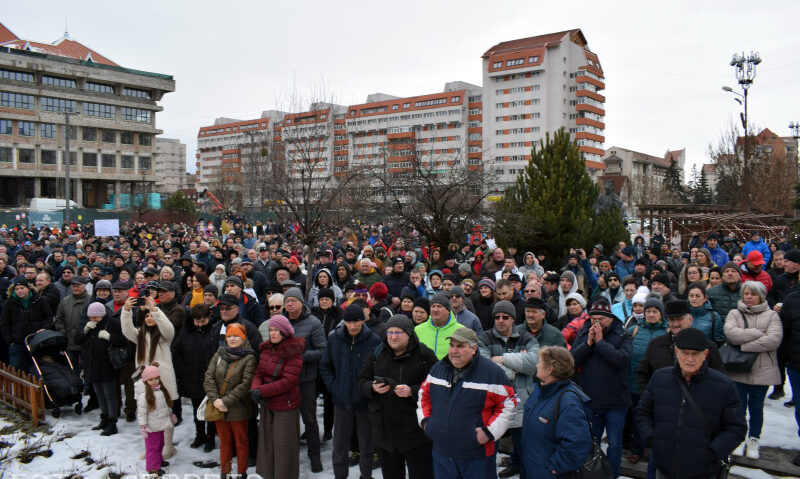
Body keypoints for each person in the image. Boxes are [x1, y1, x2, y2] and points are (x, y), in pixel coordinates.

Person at [636, 328, 746, 479]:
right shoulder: (660, 378)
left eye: (695, 354)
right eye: (685, 353)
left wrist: (712, 453)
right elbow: (643, 412)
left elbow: (737, 428)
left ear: (705, 354)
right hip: (665, 468)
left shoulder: (724, 386)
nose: (689, 359)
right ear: (676, 351)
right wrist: (652, 439)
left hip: (703, 472)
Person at [417, 327, 517, 479]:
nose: (454, 351)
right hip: (443, 453)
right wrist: (426, 422)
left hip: (477, 455)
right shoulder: (438, 369)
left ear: (474, 349)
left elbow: (509, 404)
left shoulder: (491, 373)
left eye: (460, 346)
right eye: (452, 345)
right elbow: (423, 396)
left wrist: (489, 432)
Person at [358, 315, 437, 479]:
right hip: (386, 431)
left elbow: (437, 387)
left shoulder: (424, 354)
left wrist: (412, 391)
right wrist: (372, 388)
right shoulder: (377, 353)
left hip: (416, 432)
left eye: (398, 332)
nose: (393, 337)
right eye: (390, 332)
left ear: (409, 334)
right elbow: (361, 381)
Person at [571, 299, 631, 478]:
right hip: (591, 401)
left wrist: (601, 343)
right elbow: (572, 361)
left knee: (615, 444)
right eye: (593, 318)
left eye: (601, 319)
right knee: (591, 443)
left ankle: (613, 475)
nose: (596, 323)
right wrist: (588, 344)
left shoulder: (623, 335)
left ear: (610, 319)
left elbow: (621, 360)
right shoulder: (584, 332)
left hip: (616, 402)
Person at [320, 303, 382, 479]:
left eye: (356, 322)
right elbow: (325, 365)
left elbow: (380, 368)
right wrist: (335, 387)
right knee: (340, 445)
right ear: (344, 322)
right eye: (349, 322)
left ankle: (366, 475)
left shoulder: (374, 340)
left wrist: (371, 389)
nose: (353, 326)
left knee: (367, 445)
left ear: (363, 321)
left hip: (365, 402)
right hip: (342, 402)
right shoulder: (334, 339)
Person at [478, 301, 538, 478]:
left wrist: (501, 359)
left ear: (513, 319)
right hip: (493, 405)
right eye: (497, 317)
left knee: (525, 452)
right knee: (488, 454)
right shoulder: (484, 338)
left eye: (505, 317)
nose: (500, 320)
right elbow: (485, 369)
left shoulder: (526, 338)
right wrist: (518, 366)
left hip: (522, 402)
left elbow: (535, 364)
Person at [723, 281, 783, 459]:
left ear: (761, 296)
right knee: (738, 408)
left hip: (762, 370)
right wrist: (757, 334)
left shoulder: (772, 315)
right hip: (738, 369)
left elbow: (773, 340)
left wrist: (744, 345)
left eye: (753, 294)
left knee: (756, 408)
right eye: (746, 293)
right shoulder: (735, 313)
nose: (749, 297)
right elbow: (731, 334)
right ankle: (739, 437)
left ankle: (754, 438)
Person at [521, 346, 593, 479]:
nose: (537, 365)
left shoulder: (569, 403)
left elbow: (576, 445)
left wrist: (554, 469)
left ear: (550, 369)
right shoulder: (539, 391)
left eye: (540, 362)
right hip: (532, 469)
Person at [120, 295, 178, 459]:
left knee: (165, 414)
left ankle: (168, 446)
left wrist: (154, 309)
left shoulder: (164, 336)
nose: (150, 318)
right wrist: (126, 310)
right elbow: (126, 330)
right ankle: (153, 448)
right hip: (145, 382)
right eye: (147, 316)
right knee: (150, 416)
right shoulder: (139, 335)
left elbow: (169, 328)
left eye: (152, 316)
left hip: (163, 381)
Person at [251, 315, 305, 479]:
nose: (273, 333)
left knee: (284, 447)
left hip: (285, 406)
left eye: (277, 330)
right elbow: (258, 373)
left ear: (284, 332)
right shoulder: (266, 349)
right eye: (271, 330)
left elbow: (288, 381)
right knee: (267, 444)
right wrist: (255, 389)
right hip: (267, 403)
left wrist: (262, 391)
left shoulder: (293, 352)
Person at [203, 323, 257, 478]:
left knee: (241, 442)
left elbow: (245, 384)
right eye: (229, 336)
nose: (232, 339)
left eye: (236, 336)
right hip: (218, 407)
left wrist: (225, 401)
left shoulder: (249, 357)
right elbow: (209, 378)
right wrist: (216, 400)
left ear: (243, 337)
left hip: (239, 407)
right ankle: (225, 471)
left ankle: (241, 472)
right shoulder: (219, 354)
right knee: (224, 442)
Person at [282, 287, 326, 472]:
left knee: (309, 419)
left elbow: (323, 350)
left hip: (305, 379)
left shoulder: (313, 322)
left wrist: (300, 357)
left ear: (301, 302)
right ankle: (286, 457)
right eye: (287, 301)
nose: (290, 304)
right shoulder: (281, 321)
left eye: (293, 300)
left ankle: (315, 457)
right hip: (284, 380)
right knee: (286, 421)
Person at [625, 296, 667, 464]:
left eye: (655, 311)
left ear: (661, 314)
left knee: (659, 417)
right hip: (636, 383)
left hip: (660, 384)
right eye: (648, 311)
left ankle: (657, 450)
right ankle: (637, 449)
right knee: (639, 417)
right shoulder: (633, 330)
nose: (651, 314)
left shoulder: (668, 332)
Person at [172, 303, 219, 451]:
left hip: (210, 377)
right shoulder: (186, 331)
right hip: (191, 375)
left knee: (210, 409)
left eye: (202, 321)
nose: (199, 324)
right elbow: (177, 351)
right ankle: (200, 434)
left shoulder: (214, 330)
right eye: (196, 321)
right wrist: (182, 369)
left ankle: (211, 437)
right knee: (196, 408)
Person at [75, 301, 125, 435]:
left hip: (107, 364)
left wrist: (110, 337)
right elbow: (76, 340)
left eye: (96, 317)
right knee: (99, 393)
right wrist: (84, 331)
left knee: (109, 394)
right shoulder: (88, 324)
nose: (93, 319)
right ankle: (104, 417)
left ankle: (112, 421)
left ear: (102, 315)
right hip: (92, 364)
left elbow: (123, 341)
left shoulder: (112, 323)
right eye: (91, 317)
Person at [0, 277, 52, 372]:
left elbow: (48, 317)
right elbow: (4, 323)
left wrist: (45, 329)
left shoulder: (39, 300)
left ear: (28, 288)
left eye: (22, 288)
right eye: (17, 289)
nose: (19, 291)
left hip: (35, 340)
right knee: (16, 369)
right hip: (16, 342)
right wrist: (10, 340)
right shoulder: (9, 303)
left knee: (36, 368)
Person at [137, 364, 177, 478]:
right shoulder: (144, 396)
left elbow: (165, 406)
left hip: (160, 424)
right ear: (145, 381)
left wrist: (171, 414)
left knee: (160, 444)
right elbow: (141, 413)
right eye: (150, 379)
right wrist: (143, 426)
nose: (154, 381)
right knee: (152, 448)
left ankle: (158, 460)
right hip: (151, 427)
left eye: (156, 378)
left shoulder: (160, 391)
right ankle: (153, 468)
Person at [415, 291, 465, 359]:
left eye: (439, 306)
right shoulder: (418, 329)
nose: (435, 310)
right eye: (433, 306)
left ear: (448, 310)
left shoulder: (460, 330)